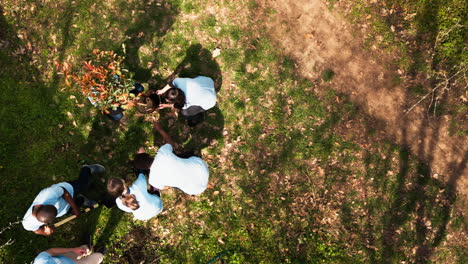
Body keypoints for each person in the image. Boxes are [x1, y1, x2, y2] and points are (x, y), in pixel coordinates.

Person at [22, 164, 105, 236]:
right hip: (64, 209)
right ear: (45, 223)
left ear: (46, 205)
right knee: (75, 205)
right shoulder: (28, 223)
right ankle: (82, 199)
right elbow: (36, 230)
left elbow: (64, 193)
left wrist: (75, 208)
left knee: (84, 184)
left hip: (68, 190)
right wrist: (44, 232)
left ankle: (87, 169)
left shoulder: (48, 194)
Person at [134, 122, 209, 195]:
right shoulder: (162, 154)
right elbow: (169, 143)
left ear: (145, 168)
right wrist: (160, 129)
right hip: (202, 170)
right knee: (182, 157)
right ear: (149, 155)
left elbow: (164, 187)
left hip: (196, 189)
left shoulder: (153, 181)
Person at [33, 245, 104, 264]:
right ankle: (100, 254)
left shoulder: (40, 261)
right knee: (95, 258)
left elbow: (52, 251)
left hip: (64, 258)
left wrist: (72, 249)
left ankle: (87, 248)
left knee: (80, 250)